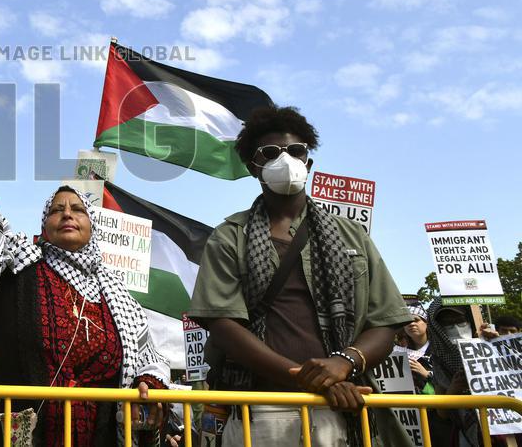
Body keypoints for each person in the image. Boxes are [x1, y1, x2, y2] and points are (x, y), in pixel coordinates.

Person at [0, 80, 169, 447]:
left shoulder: (117, 295)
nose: (67, 214)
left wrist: (148, 382)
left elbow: (149, 359)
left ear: (92, 226)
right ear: (44, 227)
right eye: (56, 209)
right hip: (18, 434)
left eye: (78, 209)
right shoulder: (19, 264)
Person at [187, 105, 413, 446]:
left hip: (342, 408)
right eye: (271, 152)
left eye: (295, 151)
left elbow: (386, 320)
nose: (286, 159)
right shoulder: (230, 235)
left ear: (307, 164)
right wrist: (310, 378)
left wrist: (345, 362)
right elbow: (223, 325)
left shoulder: (351, 235)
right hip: (260, 409)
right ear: (254, 167)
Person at [426, 301, 481, 447]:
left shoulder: (489, 343)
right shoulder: (440, 362)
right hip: (467, 435)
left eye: (461, 321)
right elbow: (442, 414)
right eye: (447, 324)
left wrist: (495, 343)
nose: (456, 328)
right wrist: (453, 390)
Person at [404, 305, 435, 394]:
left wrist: (426, 374)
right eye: (407, 321)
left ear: (426, 323)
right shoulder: (398, 352)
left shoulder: (438, 350)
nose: (411, 324)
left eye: (416, 320)